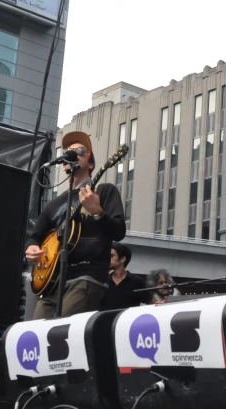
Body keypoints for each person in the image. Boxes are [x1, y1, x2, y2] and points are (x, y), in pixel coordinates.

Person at [25, 131, 126, 319]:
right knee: (35, 333)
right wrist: (31, 247)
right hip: (52, 281)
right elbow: (34, 236)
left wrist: (98, 212)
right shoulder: (53, 205)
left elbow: (119, 231)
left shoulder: (103, 191)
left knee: (63, 332)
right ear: (64, 165)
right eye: (67, 152)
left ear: (91, 163)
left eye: (80, 150)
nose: (72, 153)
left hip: (86, 276)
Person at [101, 243, 152, 310]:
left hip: (126, 320)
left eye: (111, 256)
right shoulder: (102, 281)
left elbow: (151, 304)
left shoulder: (136, 282)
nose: (107, 259)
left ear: (122, 259)